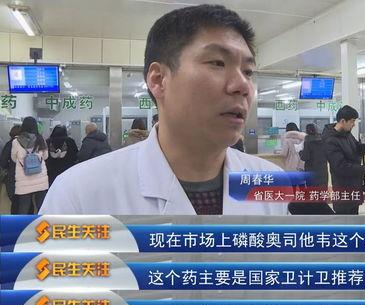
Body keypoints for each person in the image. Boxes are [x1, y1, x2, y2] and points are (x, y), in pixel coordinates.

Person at [40, 4, 286, 215]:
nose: (243, 85)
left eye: (248, 72)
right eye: (218, 63)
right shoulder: (78, 195)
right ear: (158, 80)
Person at [322, 105, 365, 215]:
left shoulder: (347, 134)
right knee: (344, 220)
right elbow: (341, 167)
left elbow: (358, 149)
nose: (354, 124)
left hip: (355, 185)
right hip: (343, 188)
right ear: (343, 121)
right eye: (352, 121)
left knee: (354, 218)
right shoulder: (330, 140)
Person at [290, 123, 334, 215]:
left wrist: (300, 151)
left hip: (311, 172)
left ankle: (315, 215)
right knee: (322, 194)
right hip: (323, 172)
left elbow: (305, 157)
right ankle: (323, 213)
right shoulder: (323, 140)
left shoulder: (308, 141)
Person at [11, 116, 49, 214]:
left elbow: (14, 158)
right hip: (40, 178)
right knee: (42, 207)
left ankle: (23, 224)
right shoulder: (41, 139)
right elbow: (45, 156)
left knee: (23, 207)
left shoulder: (16, 141)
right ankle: (42, 223)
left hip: (24, 179)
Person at [0, 124, 23, 214]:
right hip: (26, 177)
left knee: (13, 202)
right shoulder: (27, 144)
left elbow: (3, 162)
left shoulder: (9, 144)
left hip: (12, 177)